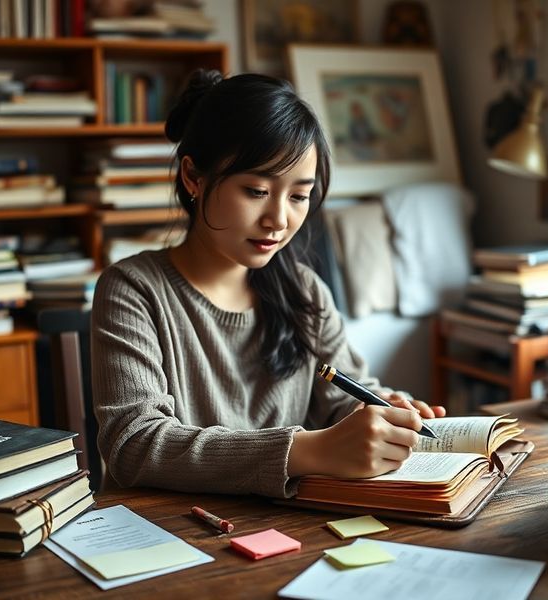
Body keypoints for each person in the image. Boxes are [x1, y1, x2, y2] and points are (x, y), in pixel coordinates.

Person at [91, 69, 445, 498]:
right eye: (257, 190)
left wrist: (384, 413)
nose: (278, 220)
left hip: (287, 533)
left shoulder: (305, 290)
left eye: (298, 196)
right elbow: (134, 445)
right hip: (168, 537)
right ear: (193, 178)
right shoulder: (133, 290)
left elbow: (344, 394)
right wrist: (305, 451)